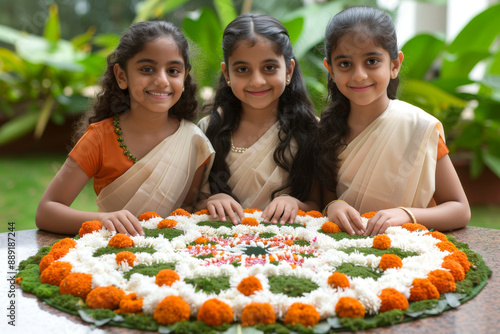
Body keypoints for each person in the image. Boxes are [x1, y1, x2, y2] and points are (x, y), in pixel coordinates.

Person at [36, 21, 214, 236]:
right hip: (112, 253)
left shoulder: (193, 140)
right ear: (121, 76)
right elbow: (46, 211)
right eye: (147, 69)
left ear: (184, 77)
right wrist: (104, 220)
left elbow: (189, 209)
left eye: (173, 70)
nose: (161, 80)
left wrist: (215, 200)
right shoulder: (100, 137)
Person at [316, 6, 470, 235]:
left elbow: (460, 210)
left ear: (394, 65)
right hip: (340, 254)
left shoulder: (419, 128)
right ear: (331, 69)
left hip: (410, 255)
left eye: (371, 61)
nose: (359, 75)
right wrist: (332, 205)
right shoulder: (326, 131)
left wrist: (407, 215)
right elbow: (321, 200)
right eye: (345, 64)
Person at [197, 14, 320, 225]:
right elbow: (189, 204)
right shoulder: (207, 129)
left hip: (288, 249)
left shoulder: (310, 129)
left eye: (269, 68)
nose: (257, 81)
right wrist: (214, 200)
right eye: (242, 69)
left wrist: (294, 204)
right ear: (227, 74)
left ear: (288, 70)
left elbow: (319, 205)